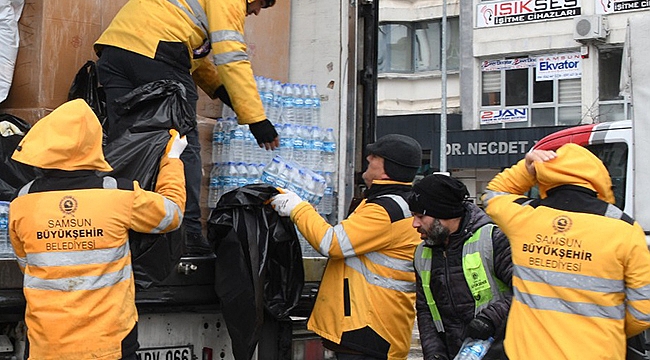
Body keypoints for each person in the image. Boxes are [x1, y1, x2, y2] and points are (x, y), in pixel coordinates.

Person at [94, 0, 280, 254]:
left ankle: (121, 229)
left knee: (126, 143)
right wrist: (257, 118)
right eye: (264, 3)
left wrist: (221, 92)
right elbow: (232, 56)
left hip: (116, 50)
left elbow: (196, 58)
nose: (258, 10)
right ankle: (189, 234)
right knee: (182, 144)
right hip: (157, 54)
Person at [8, 99, 187, 359]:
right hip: (108, 345)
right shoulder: (118, 195)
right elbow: (172, 214)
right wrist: (172, 159)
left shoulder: (22, 202)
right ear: (92, 145)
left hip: (47, 346)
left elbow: (27, 266)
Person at [482, 143, 650, 359]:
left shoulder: (524, 219)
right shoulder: (625, 229)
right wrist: (608, 328)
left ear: (547, 176)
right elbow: (642, 313)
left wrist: (527, 168)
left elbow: (493, 194)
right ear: (599, 177)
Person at [270, 134, 423, 360]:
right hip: (374, 325)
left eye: (376, 156)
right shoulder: (394, 203)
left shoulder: (386, 210)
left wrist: (297, 208)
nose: (369, 157)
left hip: (368, 328)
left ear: (386, 169)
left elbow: (331, 243)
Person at [408, 174, 512, 360]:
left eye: (421, 216)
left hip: (499, 350)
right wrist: (434, 354)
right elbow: (425, 311)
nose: (415, 224)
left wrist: (489, 319)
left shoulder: (493, 240)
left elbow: (525, 291)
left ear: (444, 213)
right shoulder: (423, 253)